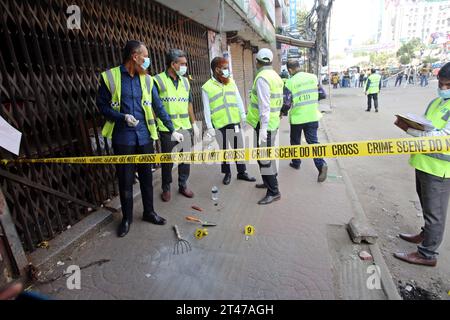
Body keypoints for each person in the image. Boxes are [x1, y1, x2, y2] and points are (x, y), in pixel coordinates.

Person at [97, 40, 183, 237]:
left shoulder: (147, 79)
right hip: (123, 137)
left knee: (146, 177)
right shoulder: (110, 77)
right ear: (134, 57)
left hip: (145, 137)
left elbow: (158, 106)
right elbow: (102, 106)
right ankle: (126, 218)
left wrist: (171, 130)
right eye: (145, 56)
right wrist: (122, 117)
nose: (148, 60)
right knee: (125, 180)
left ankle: (149, 212)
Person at [393, 62, 450, 267]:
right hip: (424, 163)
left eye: (448, 86)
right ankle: (425, 236)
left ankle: (427, 254)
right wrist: (412, 124)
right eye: (441, 84)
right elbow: (426, 124)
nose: (443, 89)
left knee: (435, 213)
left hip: (440, 170)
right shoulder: (436, 102)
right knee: (427, 206)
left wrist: (409, 130)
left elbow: (443, 137)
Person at [153, 49, 199, 202]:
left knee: (185, 159)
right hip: (167, 129)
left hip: (184, 127)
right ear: (173, 64)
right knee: (168, 160)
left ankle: (183, 184)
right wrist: (154, 127)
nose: (186, 67)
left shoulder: (185, 81)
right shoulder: (158, 80)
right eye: (183, 64)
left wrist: (194, 123)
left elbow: (189, 103)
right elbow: (154, 107)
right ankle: (166, 188)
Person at [202, 57, 256, 185]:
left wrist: (243, 115)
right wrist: (210, 126)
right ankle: (227, 173)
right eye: (225, 68)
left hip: (234, 121)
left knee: (239, 147)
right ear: (217, 69)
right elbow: (206, 109)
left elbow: (238, 99)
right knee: (224, 150)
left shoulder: (231, 82)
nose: (227, 71)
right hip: (220, 124)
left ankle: (242, 172)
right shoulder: (206, 87)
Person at [246, 48, 283, 205]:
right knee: (266, 156)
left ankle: (274, 191)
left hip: (265, 125)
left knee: (264, 158)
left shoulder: (262, 78)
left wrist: (263, 129)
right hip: (272, 122)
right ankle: (268, 182)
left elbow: (264, 106)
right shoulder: (275, 75)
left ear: (257, 61)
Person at [281, 59, 328, 183]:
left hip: (298, 118)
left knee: (295, 141)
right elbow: (322, 94)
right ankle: (321, 164)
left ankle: (296, 162)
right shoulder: (312, 77)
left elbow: (286, 103)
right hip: (312, 116)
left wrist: (282, 113)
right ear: (299, 66)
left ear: (290, 70)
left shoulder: (290, 83)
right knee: (313, 142)